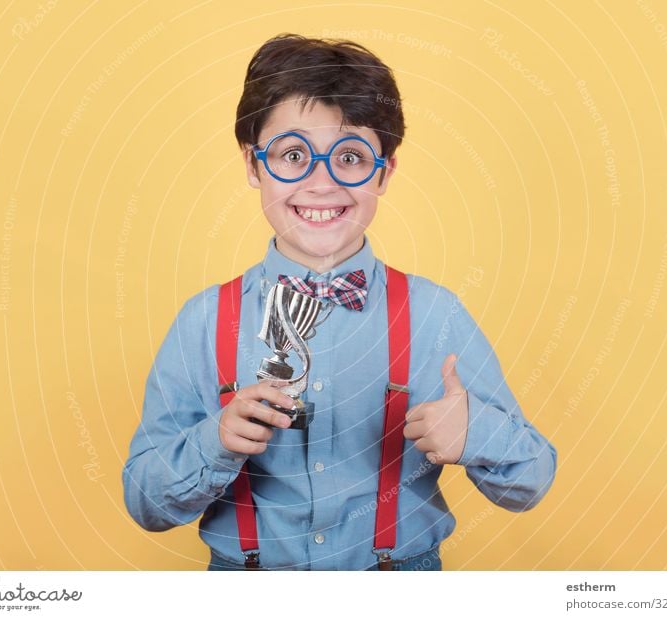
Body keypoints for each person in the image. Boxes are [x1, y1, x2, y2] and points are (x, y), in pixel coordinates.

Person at [122, 33, 557, 571]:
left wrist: (477, 435)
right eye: (293, 154)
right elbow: (145, 503)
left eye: (350, 156)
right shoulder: (203, 322)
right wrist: (215, 441)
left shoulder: (436, 317)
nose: (321, 182)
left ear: (385, 172)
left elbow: (532, 481)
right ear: (254, 166)